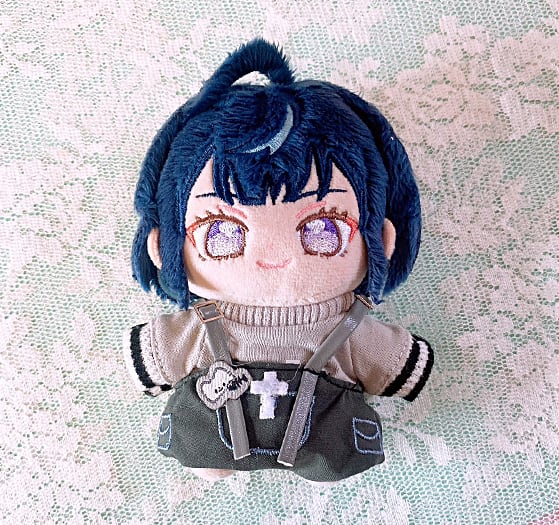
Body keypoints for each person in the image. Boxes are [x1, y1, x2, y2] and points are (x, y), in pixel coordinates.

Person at [124, 39, 434, 482]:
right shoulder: (203, 323)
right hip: (219, 438)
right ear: (163, 247)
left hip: (324, 443)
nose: (272, 257)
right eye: (222, 232)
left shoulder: (347, 325)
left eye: (323, 230)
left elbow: (394, 360)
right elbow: (155, 354)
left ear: (381, 241)